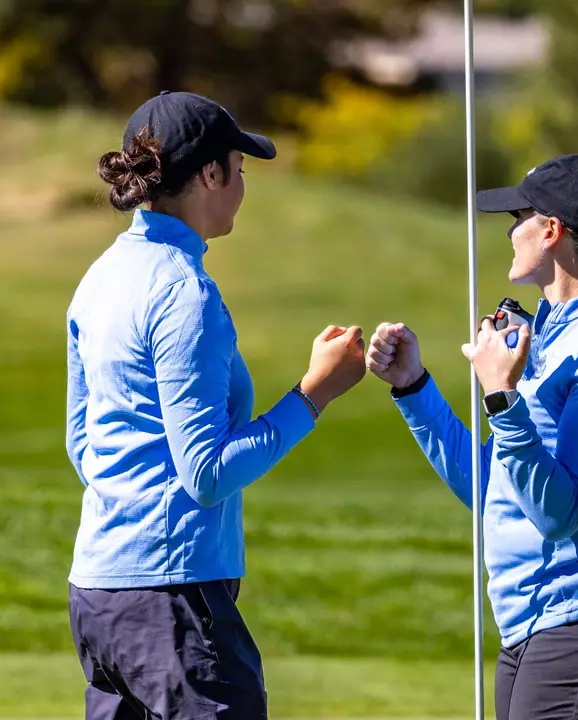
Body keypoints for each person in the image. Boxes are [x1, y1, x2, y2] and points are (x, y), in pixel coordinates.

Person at [65, 91, 366, 719]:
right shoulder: (183, 292)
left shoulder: (99, 277)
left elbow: (81, 444)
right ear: (210, 174)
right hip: (172, 598)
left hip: (98, 592)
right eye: (240, 168)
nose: (243, 184)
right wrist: (317, 392)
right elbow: (205, 473)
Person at [367, 155, 578, 720]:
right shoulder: (550, 336)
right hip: (536, 624)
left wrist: (502, 397)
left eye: (518, 217)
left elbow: (561, 513)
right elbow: (493, 490)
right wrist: (413, 387)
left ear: (551, 230)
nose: (510, 231)